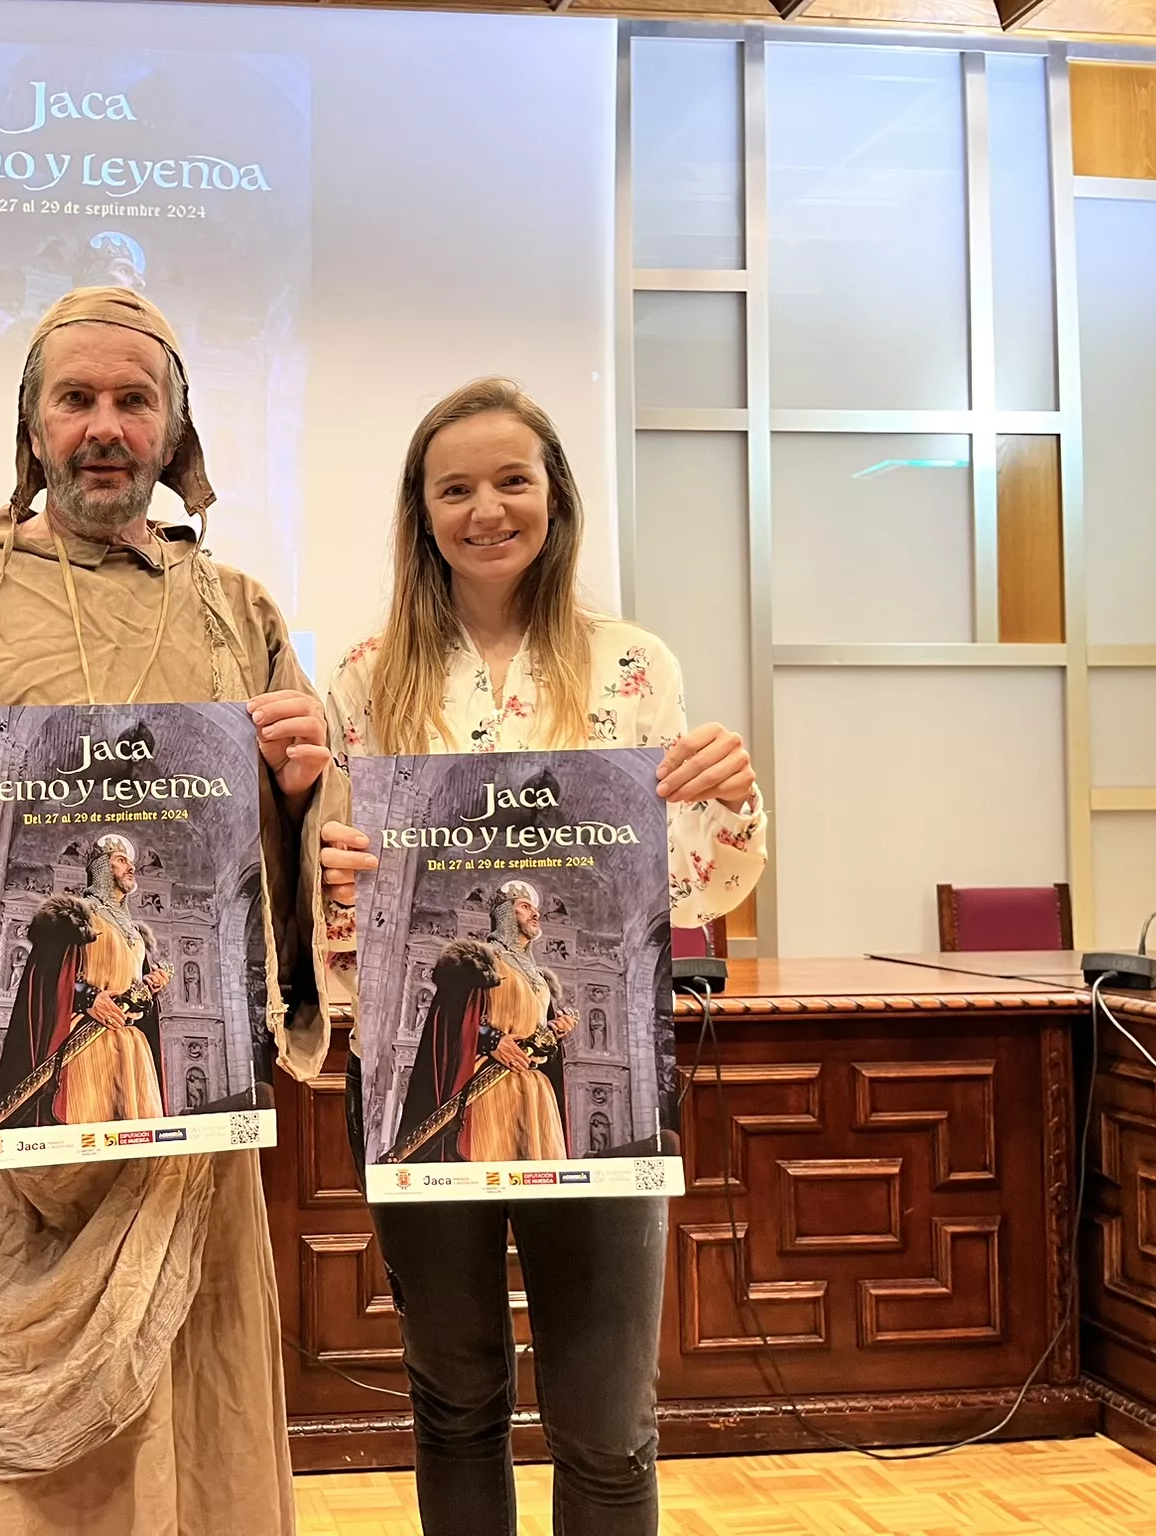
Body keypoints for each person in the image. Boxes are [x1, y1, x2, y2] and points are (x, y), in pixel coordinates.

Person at [0, 285, 341, 1535]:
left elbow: (307, 841)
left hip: (175, 1120)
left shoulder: (236, 609)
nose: (103, 425)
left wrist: (307, 789)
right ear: (33, 426)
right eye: (75, 399)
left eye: (131, 401)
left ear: (172, 430)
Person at [317, 378, 765, 1535]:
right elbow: (335, 883)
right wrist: (333, 881)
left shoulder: (632, 667)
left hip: (595, 1075)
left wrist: (724, 796)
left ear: (554, 497)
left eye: (511, 480)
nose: (484, 510)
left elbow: (690, 882)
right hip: (421, 1070)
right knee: (455, 1402)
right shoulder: (366, 680)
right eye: (452, 487)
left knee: (607, 1422)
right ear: (419, 513)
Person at [0, 832, 173, 1128]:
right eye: (121, 861)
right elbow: (49, 976)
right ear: (100, 868)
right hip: (84, 1043)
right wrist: (88, 997)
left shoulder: (136, 935)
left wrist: (149, 990)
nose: (130, 867)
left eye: (130, 862)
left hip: (133, 1050)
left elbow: (131, 995)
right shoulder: (75, 919)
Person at [392, 881, 576, 1166]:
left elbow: (535, 1041)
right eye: (525, 907)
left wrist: (553, 1034)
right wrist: (491, 1039)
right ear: (503, 913)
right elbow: (450, 1020)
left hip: (536, 1092)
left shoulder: (540, 981)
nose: (534, 914)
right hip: (487, 1085)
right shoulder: (479, 962)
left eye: (535, 909)